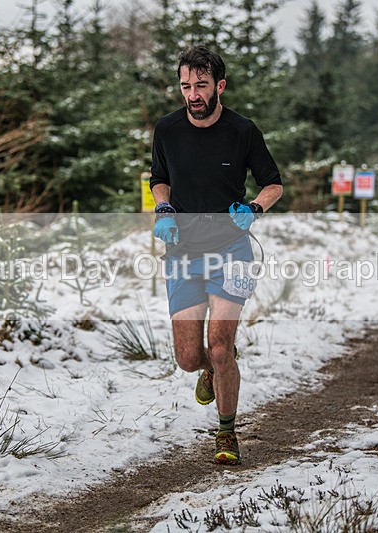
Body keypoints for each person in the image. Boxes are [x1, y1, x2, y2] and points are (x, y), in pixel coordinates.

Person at [149, 45, 283, 465]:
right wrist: (164, 208)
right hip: (183, 251)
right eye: (186, 85)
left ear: (219, 85)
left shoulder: (242, 131)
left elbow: (273, 184)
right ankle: (211, 368)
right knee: (189, 359)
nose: (192, 93)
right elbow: (160, 179)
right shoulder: (167, 130)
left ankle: (227, 434)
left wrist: (254, 209)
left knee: (221, 347)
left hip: (231, 249)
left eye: (201, 85)